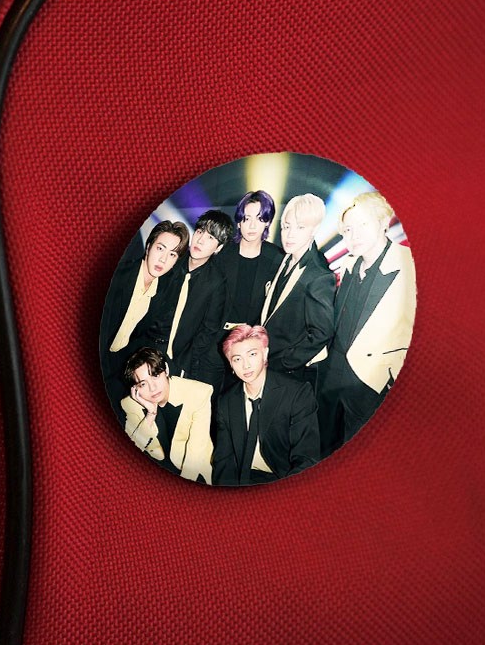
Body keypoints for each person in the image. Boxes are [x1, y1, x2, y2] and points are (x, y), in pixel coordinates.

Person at [317, 191, 417, 450]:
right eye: (348, 229)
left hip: (370, 385)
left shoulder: (410, 266)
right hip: (332, 377)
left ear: (383, 222)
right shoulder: (349, 264)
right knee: (326, 449)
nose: (354, 235)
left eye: (362, 224)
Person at [259, 193, 337, 430]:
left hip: (292, 373)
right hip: (271, 365)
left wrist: (284, 362)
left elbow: (322, 333)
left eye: (300, 227)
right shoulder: (287, 258)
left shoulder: (318, 274)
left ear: (314, 230)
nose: (290, 234)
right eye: (286, 226)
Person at [99, 220, 190, 413]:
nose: (163, 259)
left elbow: (146, 337)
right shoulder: (118, 277)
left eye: (172, 254)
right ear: (148, 247)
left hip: (118, 368)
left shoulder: (162, 291)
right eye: (160, 248)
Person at [212, 324, 320, 486]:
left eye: (252, 354)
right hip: (242, 481)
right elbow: (224, 460)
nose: (246, 365)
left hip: (282, 479)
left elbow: (306, 458)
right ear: (230, 364)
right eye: (237, 359)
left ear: (265, 354)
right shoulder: (226, 401)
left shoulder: (297, 393)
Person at [138, 209, 232, 390]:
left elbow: (208, 331)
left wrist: (182, 365)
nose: (201, 240)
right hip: (144, 343)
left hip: (178, 358)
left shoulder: (217, 282)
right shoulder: (172, 260)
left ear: (218, 248)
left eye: (210, 237)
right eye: (200, 232)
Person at [121, 347, 214, 483]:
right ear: (135, 389)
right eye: (143, 384)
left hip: (191, 467)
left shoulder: (198, 393)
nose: (153, 388)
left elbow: (195, 452)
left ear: (166, 370)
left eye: (155, 376)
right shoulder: (130, 404)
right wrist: (150, 414)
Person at [218, 190, 284, 328]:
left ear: (268, 222)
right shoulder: (222, 253)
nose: (252, 226)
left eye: (259, 219)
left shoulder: (277, 258)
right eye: (247, 219)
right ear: (239, 223)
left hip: (253, 336)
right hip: (218, 334)